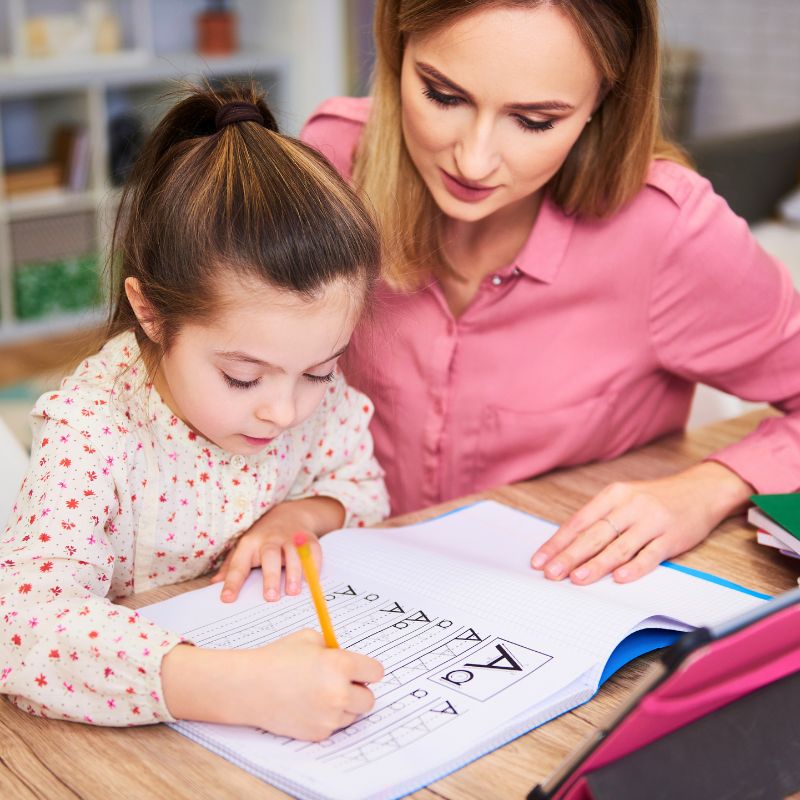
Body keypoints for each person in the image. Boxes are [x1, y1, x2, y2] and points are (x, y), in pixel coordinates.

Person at [301, 0, 800, 586]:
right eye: (443, 95)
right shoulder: (330, 164)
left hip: (556, 597)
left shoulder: (669, 231)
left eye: (535, 121)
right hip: (343, 579)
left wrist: (709, 488)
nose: (474, 158)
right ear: (395, 48)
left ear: (603, 101)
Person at [0, 84, 388, 739]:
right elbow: (23, 624)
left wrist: (303, 514)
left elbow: (365, 491)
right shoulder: (95, 428)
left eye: (320, 371)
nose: (283, 411)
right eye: (242, 376)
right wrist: (237, 688)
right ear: (151, 312)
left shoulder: (301, 392)